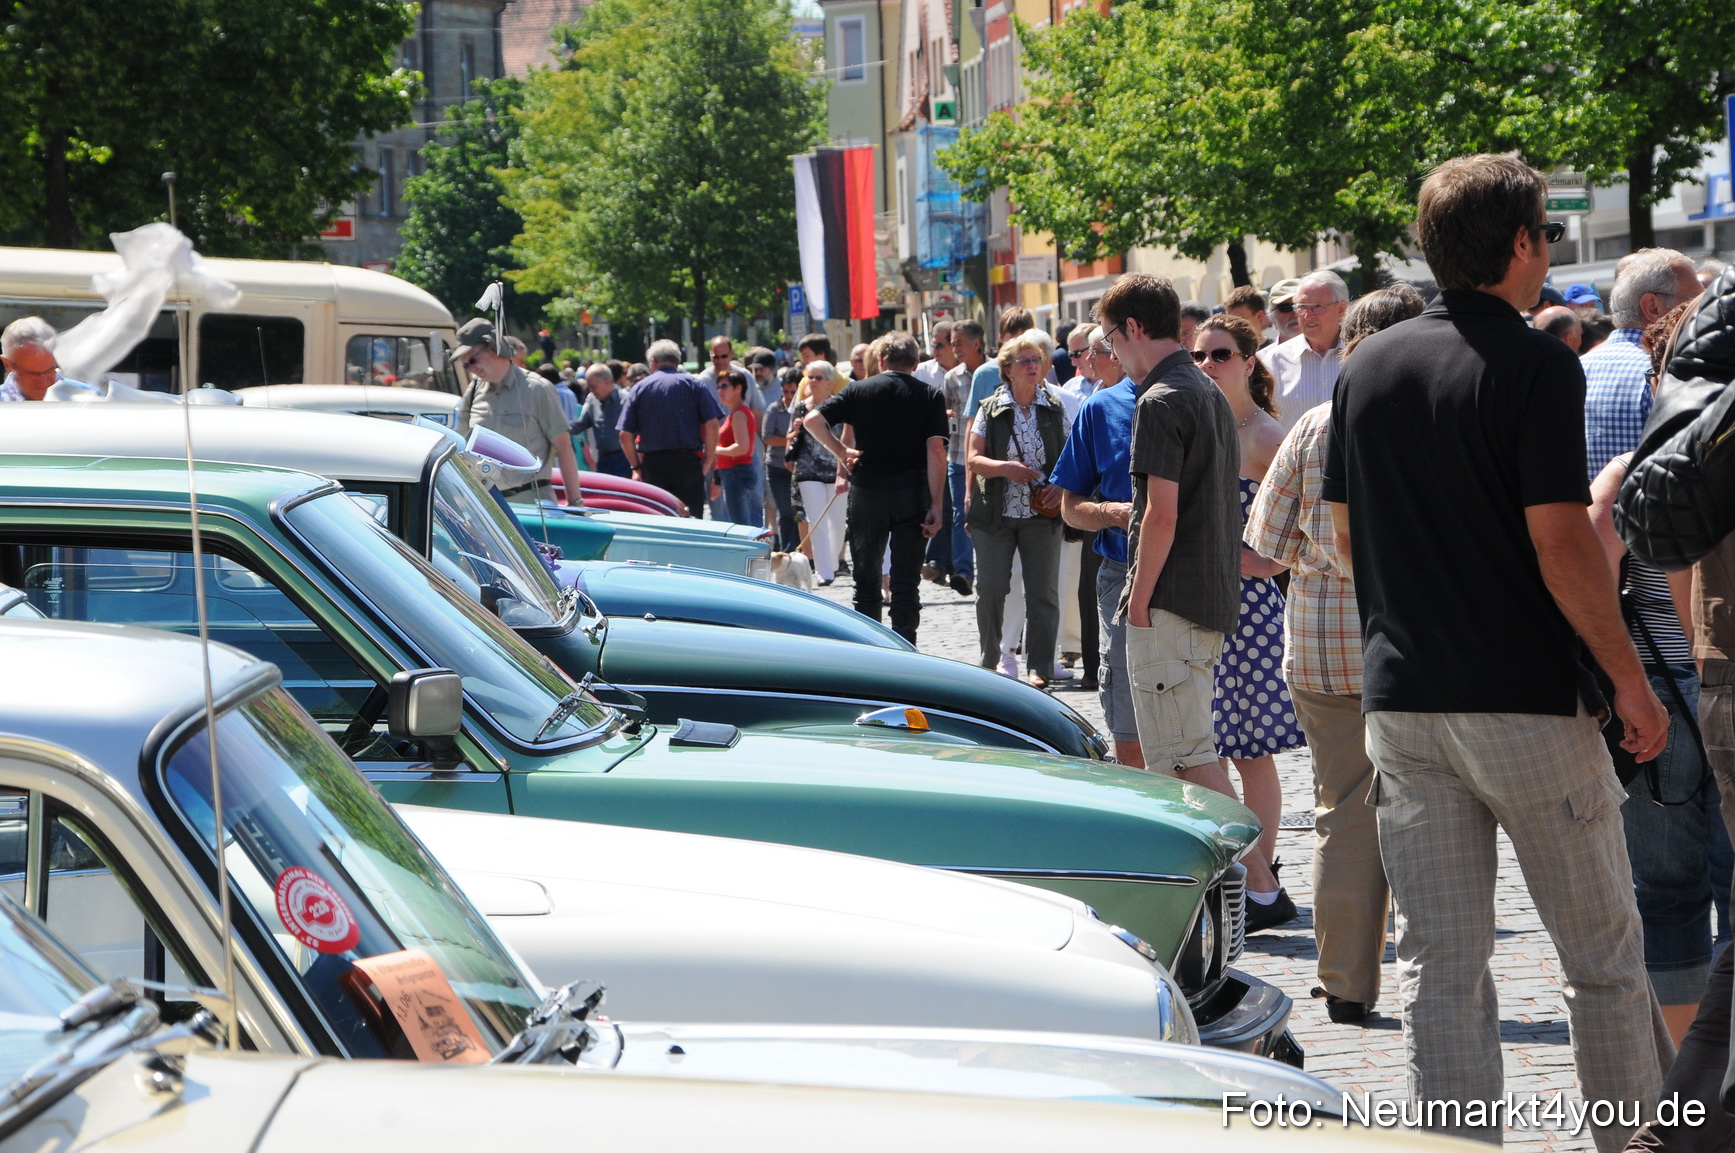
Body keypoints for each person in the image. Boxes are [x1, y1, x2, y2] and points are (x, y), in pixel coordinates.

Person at [1322, 153, 1671, 1151]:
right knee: (1602, 960)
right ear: (1518, 244)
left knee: (1441, 967)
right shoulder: (1534, 364)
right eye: (1545, 234)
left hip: (1403, 698)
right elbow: (1561, 543)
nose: (1548, 251)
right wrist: (1627, 678)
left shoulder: (1366, 365)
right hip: (1522, 699)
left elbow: (1344, 537)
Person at [1243, 284, 1422, 1024]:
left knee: (1342, 810)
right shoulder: (1434, 418)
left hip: (1324, 648)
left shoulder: (1314, 426)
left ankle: (1346, 981)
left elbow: (1264, 546)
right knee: (1429, 813)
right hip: (1416, 645)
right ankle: (1435, 978)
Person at [1100, 272, 1279, 899]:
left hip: (1172, 600)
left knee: (1185, 756)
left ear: (1133, 329)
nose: (1112, 352)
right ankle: (1237, 886)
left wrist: (1139, 600)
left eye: (1111, 338)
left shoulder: (1161, 397)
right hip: (1204, 596)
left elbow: (1161, 514)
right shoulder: (1202, 388)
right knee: (1186, 753)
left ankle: (1260, 887)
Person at [1587, 301, 1729, 1047]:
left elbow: (1583, 576)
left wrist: (1617, 679)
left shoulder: (1627, 476)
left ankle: (1683, 1062)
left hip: (1652, 696)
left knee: (1666, 893)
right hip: (1715, 689)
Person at [1193, 313, 1305, 928]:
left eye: (1220, 354)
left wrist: (1256, 562)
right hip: (1200, 604)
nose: (1208, 365)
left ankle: (1262, 882)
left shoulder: (1265, 435)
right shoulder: (1201, 422)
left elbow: (1304, 525)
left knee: (1250, 749)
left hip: (1249, 612)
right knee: (1209, 744)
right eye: (1199, 356)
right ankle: (1254, 879)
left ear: (1247, 361)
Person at [803, 331, 947, 643]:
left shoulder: (859, 390)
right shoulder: (929, 395)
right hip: (911, 491)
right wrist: (937, 504)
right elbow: (936, 451)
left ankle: (869, 647)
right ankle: (905, 643)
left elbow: (812, 420)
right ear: (915, 362)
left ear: (881, 360)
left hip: (868, 491)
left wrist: (841, 452)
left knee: (866, 578)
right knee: (906, 581)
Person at [968, 331, 1069, 689]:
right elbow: (973, 458)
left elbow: (1072, 454)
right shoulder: (990, 408)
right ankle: (989, 659)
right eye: (1023, 361)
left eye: (1036, 360)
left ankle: (1039, 665)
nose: (1032, 366)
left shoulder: (1054, 406)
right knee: (992, 588)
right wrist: (1005, 469)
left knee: (1043, 593)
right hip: (996, 512)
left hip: (1042, 513)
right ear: (1008, 369)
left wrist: (1061, 486)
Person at [1582, 247, 1702, 479]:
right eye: (1696, 301)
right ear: (1652, 307)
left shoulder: (1575, 369)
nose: (1704, 312)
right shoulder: (1667, 375)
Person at [452, 317, 582, 504]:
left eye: (473, 360)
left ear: (493, 348)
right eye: (466, 365)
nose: (471, 369)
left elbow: (564, 447)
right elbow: (460, 447)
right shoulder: (472, 392)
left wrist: (575, 502)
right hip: (487, 505)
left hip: (531, 503)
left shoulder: (537, 389)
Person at [616, 338, 722, 517]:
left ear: (653, 362)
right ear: (677, 361)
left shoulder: (640, 388)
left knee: (659, 521)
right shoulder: (694, 384)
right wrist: (708, 461)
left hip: (654, 466)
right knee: (691, 521)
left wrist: (636, 468)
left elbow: (625, 434)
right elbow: (712, 425)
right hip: (688, 464)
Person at [1257, 270, 1348, 434]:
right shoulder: (1274, 361)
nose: (1307, 315)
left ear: (1341, 309)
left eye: (1317, 307)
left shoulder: (1359, 355)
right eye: (1302, 307)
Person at [787, 361, 848, 583]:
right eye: (810, 377)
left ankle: (833, 562)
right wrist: (795, 430)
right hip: (807, 470)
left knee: (838, 523)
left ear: (830, 382)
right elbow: (789, 438)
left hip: (836, 470)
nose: (812, 382)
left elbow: (847, 437)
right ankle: (823, 572)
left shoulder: (840, 406)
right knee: (815, 521)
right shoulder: (800, 407)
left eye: (818, 378)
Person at [941, 321, 987, 597]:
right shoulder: (952, 378)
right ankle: (963, 572)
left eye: (959, 342)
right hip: (958, 456)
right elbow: (945, 411)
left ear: (976, 344)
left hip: (988, 458)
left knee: (988, 515)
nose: (954, 348)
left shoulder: (994, 371)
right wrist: (947, 416)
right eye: (952, 343)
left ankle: (990, 567)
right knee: (961, 513)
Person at [917, 321, 960, 584]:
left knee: (960, 508)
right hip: (935, 449)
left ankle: (956, 563)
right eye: (933, 344)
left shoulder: (969, 370)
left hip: (963, 446)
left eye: (940, 344)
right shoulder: (923, 372)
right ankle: (937, 561)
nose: (935, 350)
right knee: (940, 502)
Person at [710, 369, 764, 527]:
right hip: (734, 473)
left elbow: (742, 448)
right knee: (740, 523)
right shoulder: (737, 413)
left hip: (736, 473)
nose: (720, 391)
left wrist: (714, 450)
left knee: (739, 525)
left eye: (724, 386)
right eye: (718, 387)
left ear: (738, 388)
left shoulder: (739, 414)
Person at [0, 316, 93, 401]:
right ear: (7, 364)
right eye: (33, 374)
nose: (43, 381)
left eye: (49, 370)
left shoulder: (88, 398)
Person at [966, 306, 1035, 419]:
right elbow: (973, 419)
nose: (1018, 346)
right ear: (1001, 338)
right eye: (1012, 339)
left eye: (1023, 339)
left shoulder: (1039, 369)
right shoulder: (984, 374)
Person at [763, 368, 801, 551]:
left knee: (800, 513)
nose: (789, 396)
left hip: (800, 468)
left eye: (793, 392)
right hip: (777, 468)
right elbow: (767, 437)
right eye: (785, 392)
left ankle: (801, 550)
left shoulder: (805, 409)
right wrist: (791, 437)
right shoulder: (774, 409)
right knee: (785, 512)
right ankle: (787, 550)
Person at [575, 363, 630, 476]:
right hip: (602, 460)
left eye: (593, 386)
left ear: (606, 382)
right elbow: (581, 424)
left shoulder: (625, 400)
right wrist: (560, 428)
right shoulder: (592, 399)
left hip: (623, 460)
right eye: (589, 387)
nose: (591, 390)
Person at [1267, 278, 1303, 344]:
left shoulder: (1324, 350)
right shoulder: (1268, 351)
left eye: (1300, 306)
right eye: (1286, 308)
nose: (1295, 313)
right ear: (1272, 316)